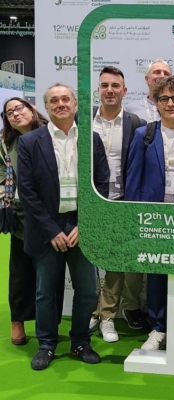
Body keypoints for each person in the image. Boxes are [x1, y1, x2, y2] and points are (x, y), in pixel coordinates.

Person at [17, 83, 107, 370]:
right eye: (54, 100)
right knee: (45, 292)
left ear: (75, 103)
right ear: (46, 107)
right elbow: (27, 191)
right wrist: (51, 230)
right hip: (47, 228)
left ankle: (80, 341)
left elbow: (102, 185)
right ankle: (46, 344)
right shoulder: (30, 142)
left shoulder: (91, 140)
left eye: (65, 99)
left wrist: (85, 224)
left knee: (88, 291)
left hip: (82, 226)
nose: (60, 104)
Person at [125, 75, 174, 352]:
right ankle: (157, 328)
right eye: (164, 98)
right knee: (155, 273)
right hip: (154, 215)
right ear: (156, 103)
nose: (170, 103)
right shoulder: (145, 134)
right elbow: (133, 177)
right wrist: (134, 215)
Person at [0, 98, 65, 347]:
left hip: (52, 215)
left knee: (52, 273)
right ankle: (17, 320)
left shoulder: (53, 134)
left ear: (32, 109)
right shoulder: (6, 143)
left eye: (19, 108)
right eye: (9, 113)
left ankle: (48, 323)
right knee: (20, 272)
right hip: (21, 217)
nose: (15, 114)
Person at [91, 66, 147, 341]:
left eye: (115, 86)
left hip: (122, 202)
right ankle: (93, 310)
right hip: (90, 202)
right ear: (98, 90)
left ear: (124, 91)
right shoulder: (82, 120)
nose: (110, 90)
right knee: (87, 262)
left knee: (116, 261)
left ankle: (108, 317)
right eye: (105, 85)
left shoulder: (136, 123)